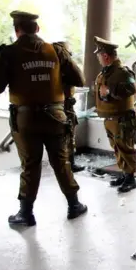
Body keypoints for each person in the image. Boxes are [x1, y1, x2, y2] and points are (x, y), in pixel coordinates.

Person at [0, 10, 88, 226]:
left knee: (30, 164)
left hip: (26, 119)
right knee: (61, 161)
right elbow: (79, 78)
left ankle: (26, 213)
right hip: (56, 116)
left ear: (16, 30)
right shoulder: (56, 50)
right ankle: (74, 204)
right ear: (37, 29)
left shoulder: (9, 52)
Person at [93, 36, 136, 193]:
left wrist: (110, 92)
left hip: (121, 119)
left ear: (105, 56)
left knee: (125, 147)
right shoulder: (107, 72)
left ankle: (130, 178)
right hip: (110, 118)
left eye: (99, 55)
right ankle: (124, 174)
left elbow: (131, 89)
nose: (98, 58)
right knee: (117, 148)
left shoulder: (121, 72)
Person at [56, 41, 85, 173]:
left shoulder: (53, 68)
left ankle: (67, 163)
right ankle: (68, 164)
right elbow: (80, 79)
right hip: (64, 106)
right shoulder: (63, 69)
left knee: (66, 136)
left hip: (61, 105)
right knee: (67, 135)